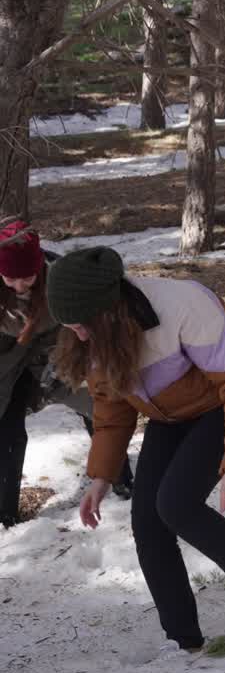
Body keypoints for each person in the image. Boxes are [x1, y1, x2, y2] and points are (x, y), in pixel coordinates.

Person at [47, 247, 225, 657]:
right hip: (169, 420)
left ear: (108, 308)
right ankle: (185, 641)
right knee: (148, 520)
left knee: (177, 505)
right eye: (70, 327)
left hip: (219, 408)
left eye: (82, 324)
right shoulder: (93, 335)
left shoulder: (183, 306)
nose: (78, 334)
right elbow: (113, 409)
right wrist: (101, 475)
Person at [0, 222, 132, 528]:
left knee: (98, 402)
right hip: (5, 360)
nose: (19, 287)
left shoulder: (61, 279)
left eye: (27, 278)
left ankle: (121, 477)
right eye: (9, 279)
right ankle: (5, 514)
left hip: (57, 350)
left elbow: (88, 322)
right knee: (7, 430)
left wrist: (63, 366)